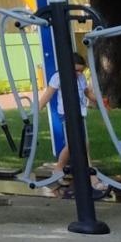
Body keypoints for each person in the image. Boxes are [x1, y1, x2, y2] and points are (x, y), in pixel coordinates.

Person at [37, 52, 108, 198]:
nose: (79, 73)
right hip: (68, 115)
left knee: (82, 145)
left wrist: (100, 102)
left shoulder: (81, 78)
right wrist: (38, 108)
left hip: (80, 114)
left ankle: (85, 176)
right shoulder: (59, 77)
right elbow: (48, 94)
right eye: (76, 70)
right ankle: (65, 171)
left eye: (81, 70)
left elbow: (88, 93)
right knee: (76, 145)